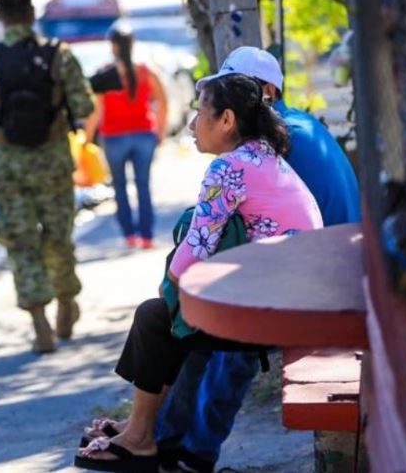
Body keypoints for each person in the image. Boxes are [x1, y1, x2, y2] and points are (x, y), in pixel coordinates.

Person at [75, 73, 323, 471]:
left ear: (226, 120)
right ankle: (144, 431)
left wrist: (168, 281)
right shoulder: (262, 153)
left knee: (156, 317)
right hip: (294, 299)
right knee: (177, 323)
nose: (190, 125)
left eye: (198, 114)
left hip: (277, 311)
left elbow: (191, 254)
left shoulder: (229, 167)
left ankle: (140, 437)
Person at [154, 46, 361, 472]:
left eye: (241, 88)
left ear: (263, 91)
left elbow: (213, 228)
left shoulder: (279, 138)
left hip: (324, 278)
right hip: (332, 265)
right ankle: (173, 443)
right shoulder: (295, 127)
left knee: (210, 336)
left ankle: (183, 450)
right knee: (211, 326)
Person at [0, 0, 94, 353]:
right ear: (32, 13)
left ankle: (39, 321)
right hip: (52, 158)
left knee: (21, 241)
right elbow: (83, 108)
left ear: (0, 16)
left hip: (8, 165)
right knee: (58, 233)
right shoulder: (59, 55)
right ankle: (67, 300)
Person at [84, 26, 168, 249]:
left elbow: (96, 110)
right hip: (144, 135)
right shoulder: (146, 72)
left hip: (113, 138)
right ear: (132, 45)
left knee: (119, 186)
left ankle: (129, 235)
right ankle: (147, 236)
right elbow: (162, 101)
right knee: (143, 185)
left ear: (112, 46)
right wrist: (160, 130)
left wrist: (86, 137)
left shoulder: (105, 74)